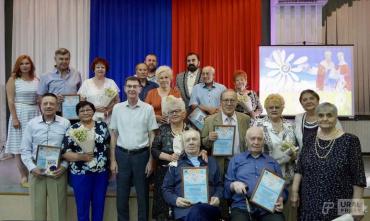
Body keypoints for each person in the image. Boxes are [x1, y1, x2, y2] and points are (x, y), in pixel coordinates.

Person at [291, 103, 366, 221]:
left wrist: (357, 206)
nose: (325, 118)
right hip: (309, 204)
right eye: (321, 115)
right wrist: (294, 192)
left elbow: (359, 176)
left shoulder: (350, 141)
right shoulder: (310, 140)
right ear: (317, 118)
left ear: (336, 118)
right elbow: (299, 168)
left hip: (339, 204)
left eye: (329, 115)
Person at [109, 76, 158, 221]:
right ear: (124, 89)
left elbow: (152, 135)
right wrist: (113, 160)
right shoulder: (117, 108)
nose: (132, 89)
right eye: (129, 86)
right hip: (122, 155)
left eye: (134, 86)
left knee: (142, 195)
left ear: (140, 89)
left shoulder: (148, 108)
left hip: (141, 156)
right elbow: (113, 134)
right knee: (121, 195)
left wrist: (151, 161)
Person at [20, 93, 70, 221]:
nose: (48, 106)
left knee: (59, 210)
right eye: (45, 103)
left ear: (57, 106)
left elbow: (70, 148)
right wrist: (32, 168)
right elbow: (25, 150)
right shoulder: (32, 124)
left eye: (52, 103)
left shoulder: (65, 123)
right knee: (37, 210)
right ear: (40, 106)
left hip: (58, 170)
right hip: (36, 169)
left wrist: (64, 167)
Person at [224, 127, 287, 221]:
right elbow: (226, 187)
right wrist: (233, 185)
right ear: (246, 141)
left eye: (259, 139)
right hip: (242, 207)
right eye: (252, 138)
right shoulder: (236, 160)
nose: (256, 142)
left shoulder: (273, 162)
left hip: (267, 209)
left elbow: (283, 188)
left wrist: (281, 198)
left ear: (263, 141)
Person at [62, 101, 110, 221]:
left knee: (99, 205)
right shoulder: (72, 129)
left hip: (101, 173)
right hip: (80, 174)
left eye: (88, 110)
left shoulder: (102, 126)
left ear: (93, 111)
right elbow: (65, 153)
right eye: (82, 111)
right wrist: (81, 157)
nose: (85, 112)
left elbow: (109, 146)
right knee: (82, 207)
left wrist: (111, 165)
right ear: (78, 114)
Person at [162, 129, 223, 221]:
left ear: (199, 142)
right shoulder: (175, 164)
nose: (191, 142)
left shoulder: (211, 162)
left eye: (194, 139)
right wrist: (176, 200)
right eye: (187, 140)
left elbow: (219, 185)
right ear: (183, 144)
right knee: (195, 213)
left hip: (208, 208)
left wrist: (217, 196)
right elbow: (166, 189)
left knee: (197, 211)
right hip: (183, 211)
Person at [151, 97, 193, 220]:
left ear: (183, 113)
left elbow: (197, 148)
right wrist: (169, 157)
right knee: (163, 211)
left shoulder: (190, 129)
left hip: (184, 175)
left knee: (183, 206)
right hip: (164, 174)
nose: (174, 114)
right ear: (168, 114)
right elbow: (154, 150)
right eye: (171, 112)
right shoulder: (162, 130)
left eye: (177, 111)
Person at [5, 55, 40, 187]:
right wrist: (14, 118)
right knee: (18, 147)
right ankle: (24, 176)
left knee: (33, 146)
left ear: (31, 65)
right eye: (22, 64)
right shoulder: (13, 80)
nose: (25, 66)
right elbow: (10, 100)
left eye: (27, 63)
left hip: (35, 113)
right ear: (18, 66)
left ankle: (34, 174)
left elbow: (40, 98)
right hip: (19, 113)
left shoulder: (37, 79)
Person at [201, 89, 250, 175]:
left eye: (232, 100)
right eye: (226, 100)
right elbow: (203, 144)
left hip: (242, 164)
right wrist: (209, 138)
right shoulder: (209, 120)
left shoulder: (245, 119)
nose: (229, 103)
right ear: (221, 102)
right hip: (220, 165)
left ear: (237, 102)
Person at [252, 94, 297, 183]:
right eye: (270, 107)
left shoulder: (290, 125)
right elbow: (251, 148)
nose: (274, 109)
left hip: (288, 176)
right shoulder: (258, 124)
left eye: (277, 107)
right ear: (266, 109)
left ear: (282, 108)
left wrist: (294, 155)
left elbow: (296, 148)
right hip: (266, 175)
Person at [78, 57, 120, 123]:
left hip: (108, 117)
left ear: (106, 69)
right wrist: (93, 108)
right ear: (94, 69)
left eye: (103, 67)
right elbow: (81, 102)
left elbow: (117, 101)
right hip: (90, 117)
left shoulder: (111, 82)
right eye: (98, 67)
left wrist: (109, 111)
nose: (100, 69)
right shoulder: (87, 83)